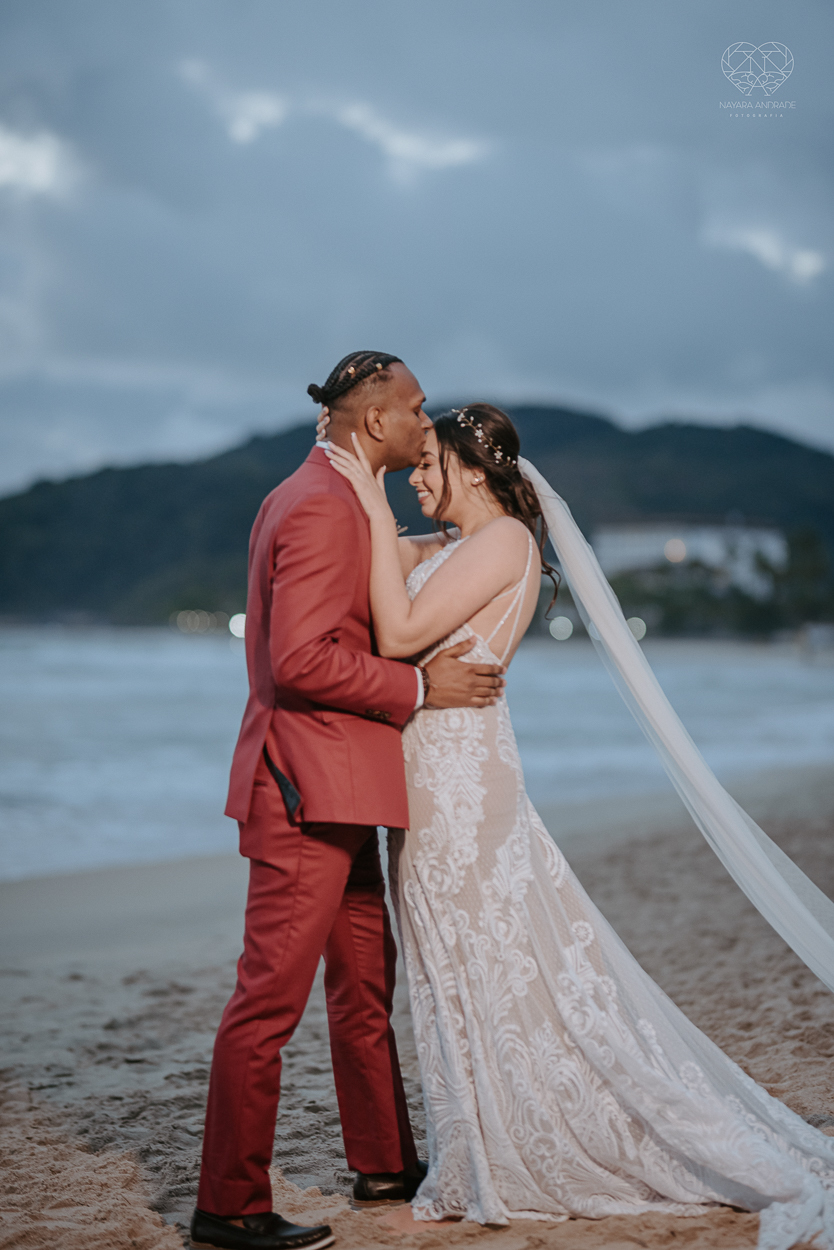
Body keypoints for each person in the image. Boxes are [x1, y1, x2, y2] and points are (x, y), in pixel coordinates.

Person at [324, 402, 834, 1250]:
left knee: (481, 958)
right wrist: (358, 483)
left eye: (429, 464)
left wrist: (375, 508)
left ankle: (500, 1153)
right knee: (458, 962)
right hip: (430, 777)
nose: (415, 479)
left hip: (458, 781)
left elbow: (400, 631)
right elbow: (370, 566)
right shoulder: (452, 545)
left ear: (473, 471)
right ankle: (481, 1142)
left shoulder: (503, 543)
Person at [191, 355, 507, 1250]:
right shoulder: (322, 505)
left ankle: (383, 1165)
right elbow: (298, 660)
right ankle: (229, 1205)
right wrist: (421, 689)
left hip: (345, 785)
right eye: (415, 411)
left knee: (365, 984)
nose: (424, 425)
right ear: (374, 422)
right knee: (268, 1002)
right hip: (303, 789)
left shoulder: (325, 494)